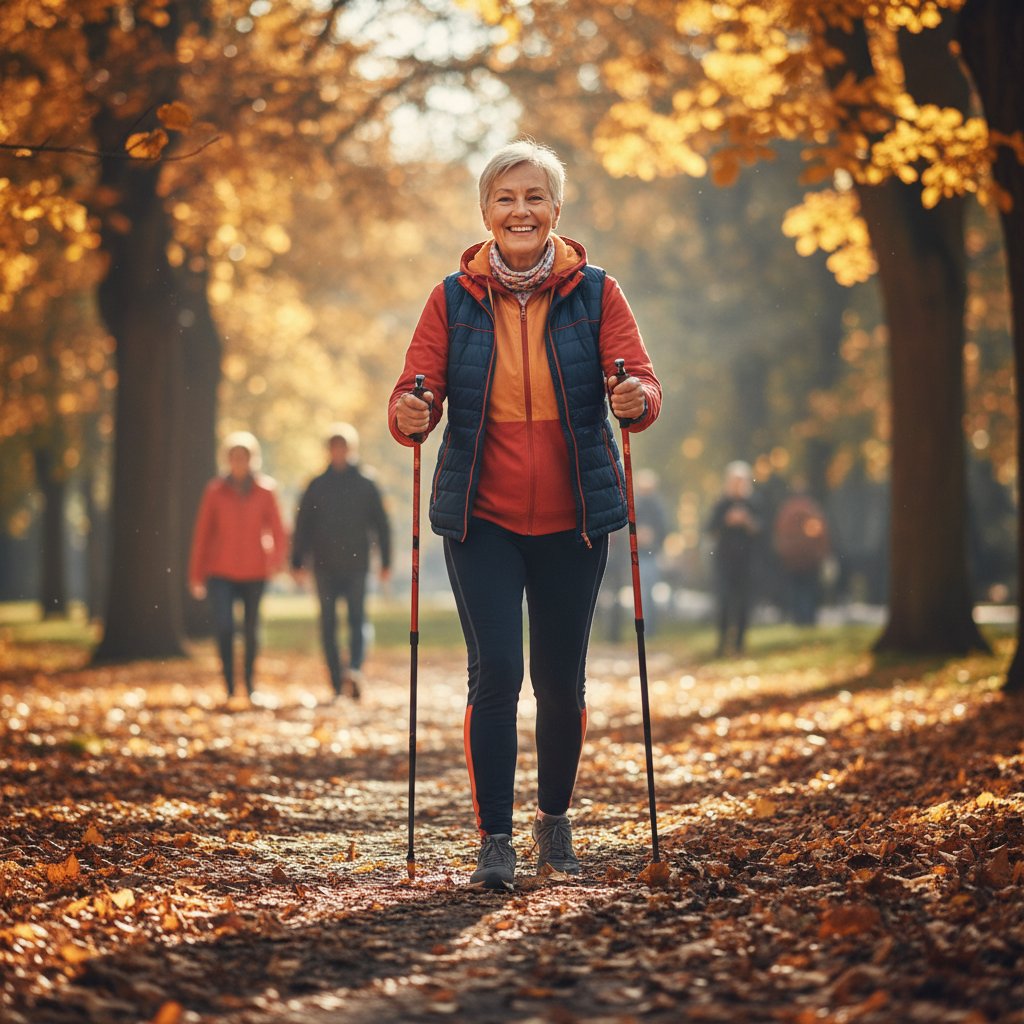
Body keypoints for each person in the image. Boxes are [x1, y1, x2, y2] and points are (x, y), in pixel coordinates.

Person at [389, 139, 661, 891]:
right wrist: (410, 411)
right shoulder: (451, 297)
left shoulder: (598, 291)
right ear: (485, 212)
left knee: (560, 679)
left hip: (576, 517)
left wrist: (636, 399)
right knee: (498, 672)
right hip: (484, 518)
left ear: (556, 211)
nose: (521, 211)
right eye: (506, 198)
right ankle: (495, 840)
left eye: (535, 197)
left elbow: (637, 378)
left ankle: (554, 825)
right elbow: (414, 391)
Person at [291, 423, 392, 700]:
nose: (339, 452)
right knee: (328, 624)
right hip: (323, 566)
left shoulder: (367, 483)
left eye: (343, 446)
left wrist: (386, 561)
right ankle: (336, 682)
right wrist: (296, 561)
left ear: (351, 449)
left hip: (357, 565)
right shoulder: (316, 485)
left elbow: (382, 525)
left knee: (358, 620)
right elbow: (303, 525)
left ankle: (355, 670)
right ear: (329, 450)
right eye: (334, 446)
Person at [189, 432, 287, 703]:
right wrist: (196, 575)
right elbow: (202, 534)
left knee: (252, 629)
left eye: (244, 457)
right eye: (234, 457)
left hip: (255, 571)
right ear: (228, 460)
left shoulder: (266, 490)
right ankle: (230, 686)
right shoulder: (214, 490)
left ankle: (250, 684)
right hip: (220, 571)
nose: (239, 462)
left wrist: (277, 560)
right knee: (224, 627)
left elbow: (278, 529)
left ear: (252, 459)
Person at [705, 461, 760, 657]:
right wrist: (726, 521)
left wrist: (747, 522)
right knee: (724, 602)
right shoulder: (721, 504)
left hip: (747, 562)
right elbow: (710, 529)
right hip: (724, 561)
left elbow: (762, 531)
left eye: (741, 481)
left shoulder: (753, 503)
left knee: (744, 604)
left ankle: (739, 645)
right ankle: (721, 645)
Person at [773, 476, 830, 626]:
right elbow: (820, 532)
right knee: (809, 590)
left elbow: (780, 533)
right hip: (810, 557)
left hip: (791, 558)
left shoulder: (787, 510)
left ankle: (798, 619)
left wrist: (784, 552)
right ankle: (809, 619)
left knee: (796, 589)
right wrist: (822, 552)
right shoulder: (812, 509)